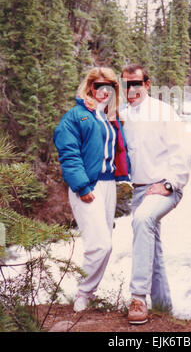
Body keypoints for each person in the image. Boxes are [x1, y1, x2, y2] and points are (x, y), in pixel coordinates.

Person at [53, 67, 130, 312]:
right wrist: (81, 186)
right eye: (99, 87)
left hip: (109, 185)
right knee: (100, 244)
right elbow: (69, 154)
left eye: (110, 87)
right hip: (88, 186)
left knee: (106, 244)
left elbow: (120, 150)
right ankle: (82, 294)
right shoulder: (76, 116)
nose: (104, 92)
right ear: (90, 88)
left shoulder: (110, 117)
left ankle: (88, 293)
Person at [120, 64, 191, 325]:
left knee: (142, 221)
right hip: (139, 190)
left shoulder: (163, 111)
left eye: (136, 83)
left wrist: (171, 184)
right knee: (153, 250)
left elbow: (184, 151)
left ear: (147, 84)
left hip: (164, 187)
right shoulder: (123, 115)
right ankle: (163, 309)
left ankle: (138, 297)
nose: (131, 89)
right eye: (126, 84)